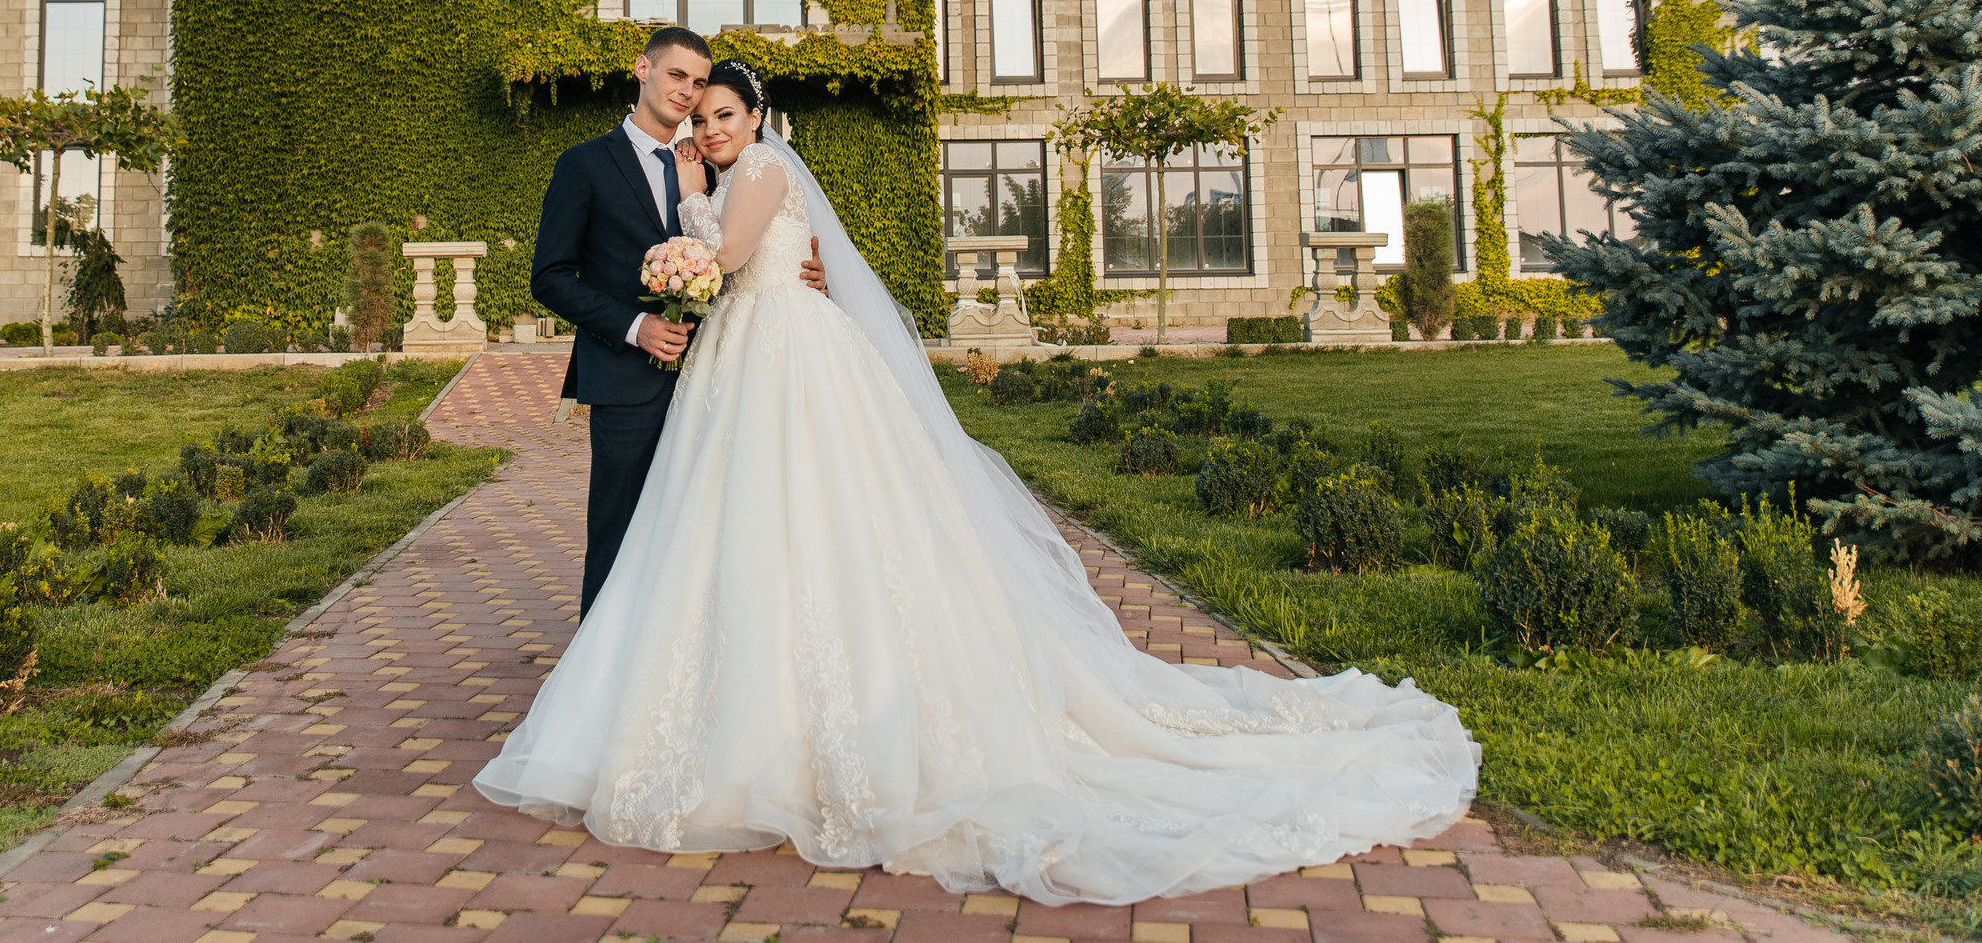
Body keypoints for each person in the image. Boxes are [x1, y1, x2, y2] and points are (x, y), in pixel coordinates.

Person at [478, 61, 1480, 904]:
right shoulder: (744, 168)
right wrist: (698, 213)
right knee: (737, 524)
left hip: (780, 350)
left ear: (757, 118)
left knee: (808, 508)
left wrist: (690, 210)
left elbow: (732, 257)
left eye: (723, 115)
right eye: (700, 118)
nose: (710, 127)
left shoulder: (763, 170)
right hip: (749, 351)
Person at [528, 28, 824, 614]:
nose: (688, 93)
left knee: (709, 536)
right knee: (620, 535)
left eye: (698, 82)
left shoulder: (720, 169)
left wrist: (807, 274)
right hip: (628, 379)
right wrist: (636, 329)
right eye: (676, 76)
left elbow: (747, 248)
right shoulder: (584, 164)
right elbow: (551, 276)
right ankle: (599, 675)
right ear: (643, 69)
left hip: (722, 380)